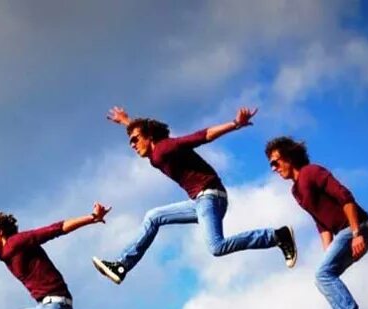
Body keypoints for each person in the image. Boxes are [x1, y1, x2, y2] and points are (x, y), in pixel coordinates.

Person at [92, 106, 296, 285]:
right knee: (153, 217)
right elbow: (142, 129)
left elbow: (201, 136)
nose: (132, 145)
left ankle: (277, 236)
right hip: (200, 201)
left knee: (216, 247)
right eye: (130, 142)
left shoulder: (165, 148)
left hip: (210, 196)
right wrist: (126, 121)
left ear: (150, 137)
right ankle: (122, 266)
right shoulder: (155, 151)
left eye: (135, 140)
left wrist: (235, 124)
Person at [265, 136, 368, 309]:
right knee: (324, 274)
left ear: (289, 157)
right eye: (271, 165)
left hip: (357, 227)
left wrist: (356, 233)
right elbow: (321, 223)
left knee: (323, 275)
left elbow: (345, 197)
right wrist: (328, 252)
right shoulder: (296, 191)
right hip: (343, 233)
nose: (274, 168)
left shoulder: (312, 172)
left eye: (275, 162)